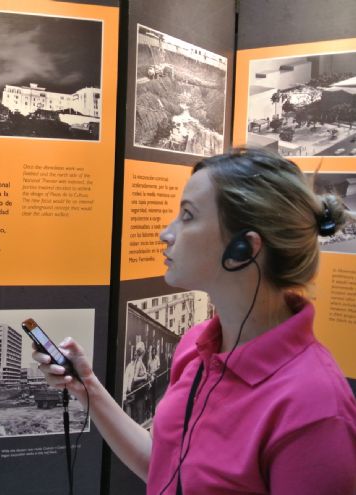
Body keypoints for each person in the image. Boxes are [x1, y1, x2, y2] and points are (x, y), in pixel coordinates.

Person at [33, 148, 356, 494]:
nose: (166, 233)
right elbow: (164, 466)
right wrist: (86, 388)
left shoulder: (315, 408)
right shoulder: (197, 344)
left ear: (243, 249)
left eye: (187, 216)